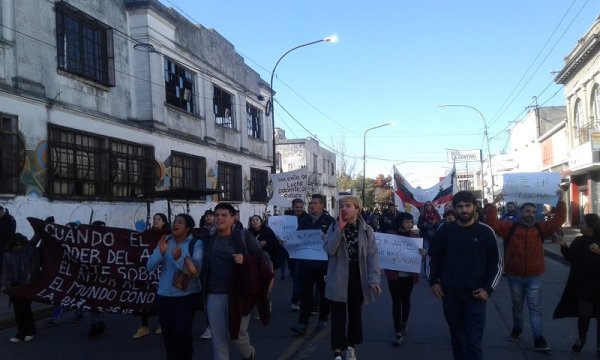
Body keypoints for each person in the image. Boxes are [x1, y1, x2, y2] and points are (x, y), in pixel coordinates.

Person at [485, 190, 566, 351]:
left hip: (534, 275)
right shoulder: (510, 227)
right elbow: (492, 223)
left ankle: (538, 338)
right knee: (517, 305)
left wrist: (561, 200)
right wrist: (495, 202)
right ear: (520, 212)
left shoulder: (541, 228)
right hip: (514, 275)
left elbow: (559, 220)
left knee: (535, 308)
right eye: (527, 211)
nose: (530, 214)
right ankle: (517, 328)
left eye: (533, 212)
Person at [428, 191, 503, 360]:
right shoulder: (445, 230)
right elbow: (433, 257)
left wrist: (487, 289)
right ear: (454, 209)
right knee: (457, 338)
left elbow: (496, 264)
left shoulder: (485, 232)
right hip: (450, 294)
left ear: (474, 207)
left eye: (467, 205)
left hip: (476, 295)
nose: (464, 210)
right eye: (460, 206)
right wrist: (433, 281)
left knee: (473, 340)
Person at [202, 203, 267, 360]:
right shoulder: (209, 239)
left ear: (233, 218)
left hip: (239, 294)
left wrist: (245, 259)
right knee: (218, 338)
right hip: (214, 294)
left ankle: (249, 353)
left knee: (237, 335)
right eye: (217, 215)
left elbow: (261, 258)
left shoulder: (243, 236)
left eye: (224, 215)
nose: (219, 218)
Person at [323, 195, 381, 360]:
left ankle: (350, 347)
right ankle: (337, 351)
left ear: (357, 209)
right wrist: (339, 229)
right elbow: (329, 250)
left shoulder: (366, 230)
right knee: (338, 316)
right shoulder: (334, 226)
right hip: (338, 276)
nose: (344, 209)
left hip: (358, 275)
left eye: (348, 206)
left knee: (355, 314)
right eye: (342, 206)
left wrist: (374, 280)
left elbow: (373, 256)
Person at [147, 213, 203, 360]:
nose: (175, 225)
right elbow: (149, 267)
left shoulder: (196, 244)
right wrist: (161, 252)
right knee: (168, 334)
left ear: (188, 227)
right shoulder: (165, 241)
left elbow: (195, 271)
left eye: (180, 222)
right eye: (174, 222)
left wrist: (178, 259)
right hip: (165, 295)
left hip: (188, 295)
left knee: (182, 332)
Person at [553, 213, 600, 357]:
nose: (580, 225)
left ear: (591, 226)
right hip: (583, 285)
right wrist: (562, 245)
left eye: (583, 223)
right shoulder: (578, 241)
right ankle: (582, 339)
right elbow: (570, 257)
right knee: (584, 315)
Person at [291, 194, 334, 336]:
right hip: (306, 264)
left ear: (322, 205)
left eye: (315, 203)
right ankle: (302, 322)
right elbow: (298, 238)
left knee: (323, 293)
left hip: (323, 265)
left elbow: (336, 241)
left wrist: (328, 239)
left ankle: (323, 318)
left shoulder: (330, 221)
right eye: (311, 203)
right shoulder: (304, 221)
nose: (311, 205)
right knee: (306, 294)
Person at [384, 212, 426, 346]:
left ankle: (403, 323)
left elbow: (421, 256)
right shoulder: (390, 235)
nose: (410, 224)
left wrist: (423, 254)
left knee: (405, 300)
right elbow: (383, 251)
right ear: (400, 222)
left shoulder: (415, 237)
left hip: (408, 275)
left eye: (410, 222)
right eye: (407, 222)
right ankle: (398, 332)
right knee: (396, 302)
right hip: (394, 275)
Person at [133, 213, 169, 339]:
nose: (155, 221)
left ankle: (162, 324)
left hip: (161, 271)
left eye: (158, 219)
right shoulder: (146, 234)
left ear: (164, 222)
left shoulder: (167, 236)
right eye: (154, 219)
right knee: (145, 297)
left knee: (160, 299)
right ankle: (144, 326)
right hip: (148, 271)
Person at [1, 233, 40, 343]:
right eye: (16, 244)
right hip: (14, 287)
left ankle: (30, 331)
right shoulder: (7, 254)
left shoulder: (28, 250)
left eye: (20, 244)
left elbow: (35, 239)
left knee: (25, 309)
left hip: (27, 285)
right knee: (18, 311)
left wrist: (39, 229)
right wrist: (3, 285)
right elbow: (5, 271)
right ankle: (21, 333)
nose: (18, 246)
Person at [289, 198, 308, 310]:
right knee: (295, 277)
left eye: (301, 207)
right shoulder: (287, 218)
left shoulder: (307, 218)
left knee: (299, 278)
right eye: (297, 207)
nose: (299, 209)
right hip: (290, 252)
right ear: (293, 208)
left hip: (303, 252)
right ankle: (298, 300)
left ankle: (296, 300)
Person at [0, 205, 17, 275]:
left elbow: (11, 234)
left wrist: (7, 246)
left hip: (6, 245)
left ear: (2, 211)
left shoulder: (10, 219)